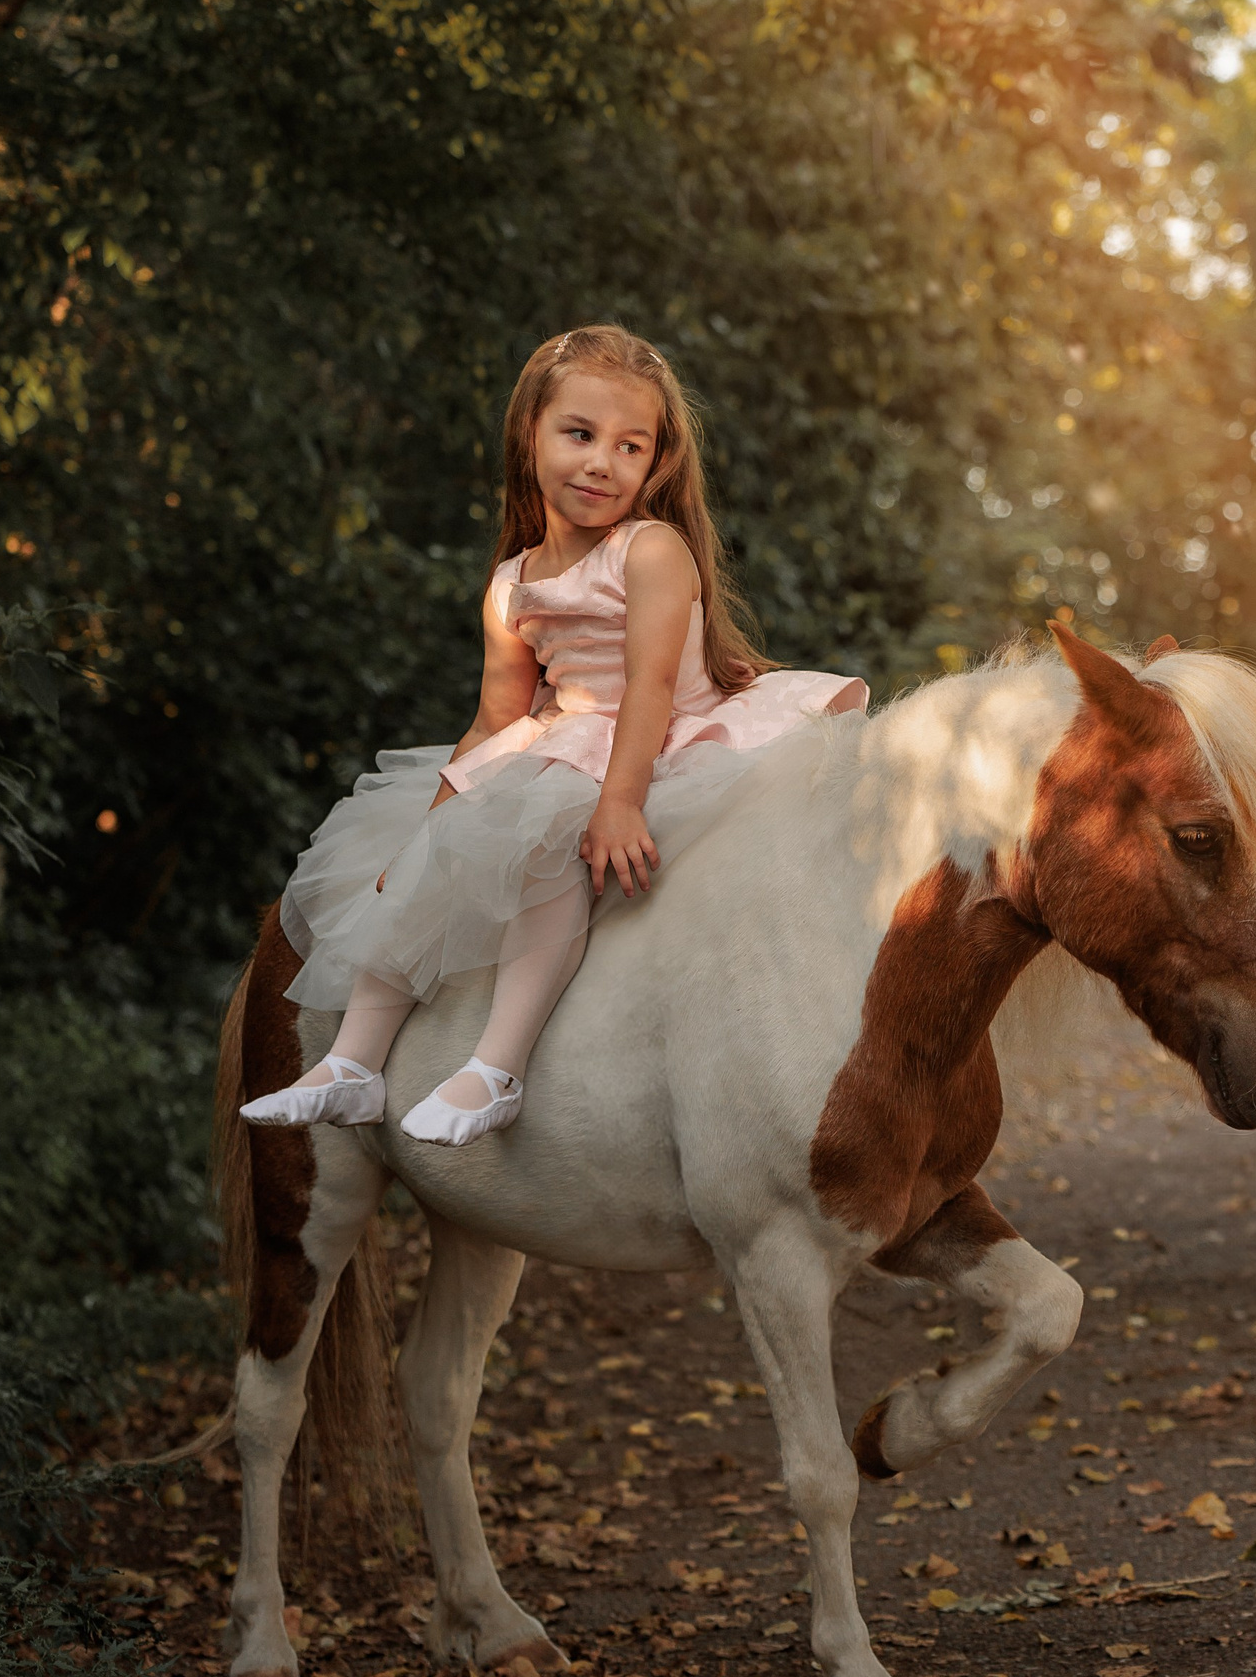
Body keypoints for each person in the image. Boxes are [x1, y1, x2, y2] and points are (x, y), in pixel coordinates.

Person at [240, 325, 863, 1147]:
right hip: (557, 740)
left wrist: (620, 802)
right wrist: (427, 832)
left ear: (656, 465)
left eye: (628, 446)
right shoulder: (510, 585)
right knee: (427, 866)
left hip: (662, 737)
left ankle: (496, 1068)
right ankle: (352, 1066)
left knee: (547, 844)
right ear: (529, 433)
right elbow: (498, 717)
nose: (602, 462)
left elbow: (647, 685)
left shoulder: (652, 550)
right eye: (580, 434)